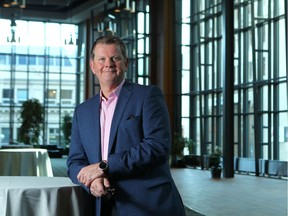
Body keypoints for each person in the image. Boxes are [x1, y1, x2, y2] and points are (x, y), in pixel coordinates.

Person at [67, 35, 186, 216]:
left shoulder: (148, 96)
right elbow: (75, 162)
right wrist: (90, 182)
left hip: (148, 205)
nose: (108, 64)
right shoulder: (82, 111)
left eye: (115, 58)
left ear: (126, 63)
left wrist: (103, 166)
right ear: (93, 66)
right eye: (102, 59)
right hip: (101, 206)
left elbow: (156, 147)